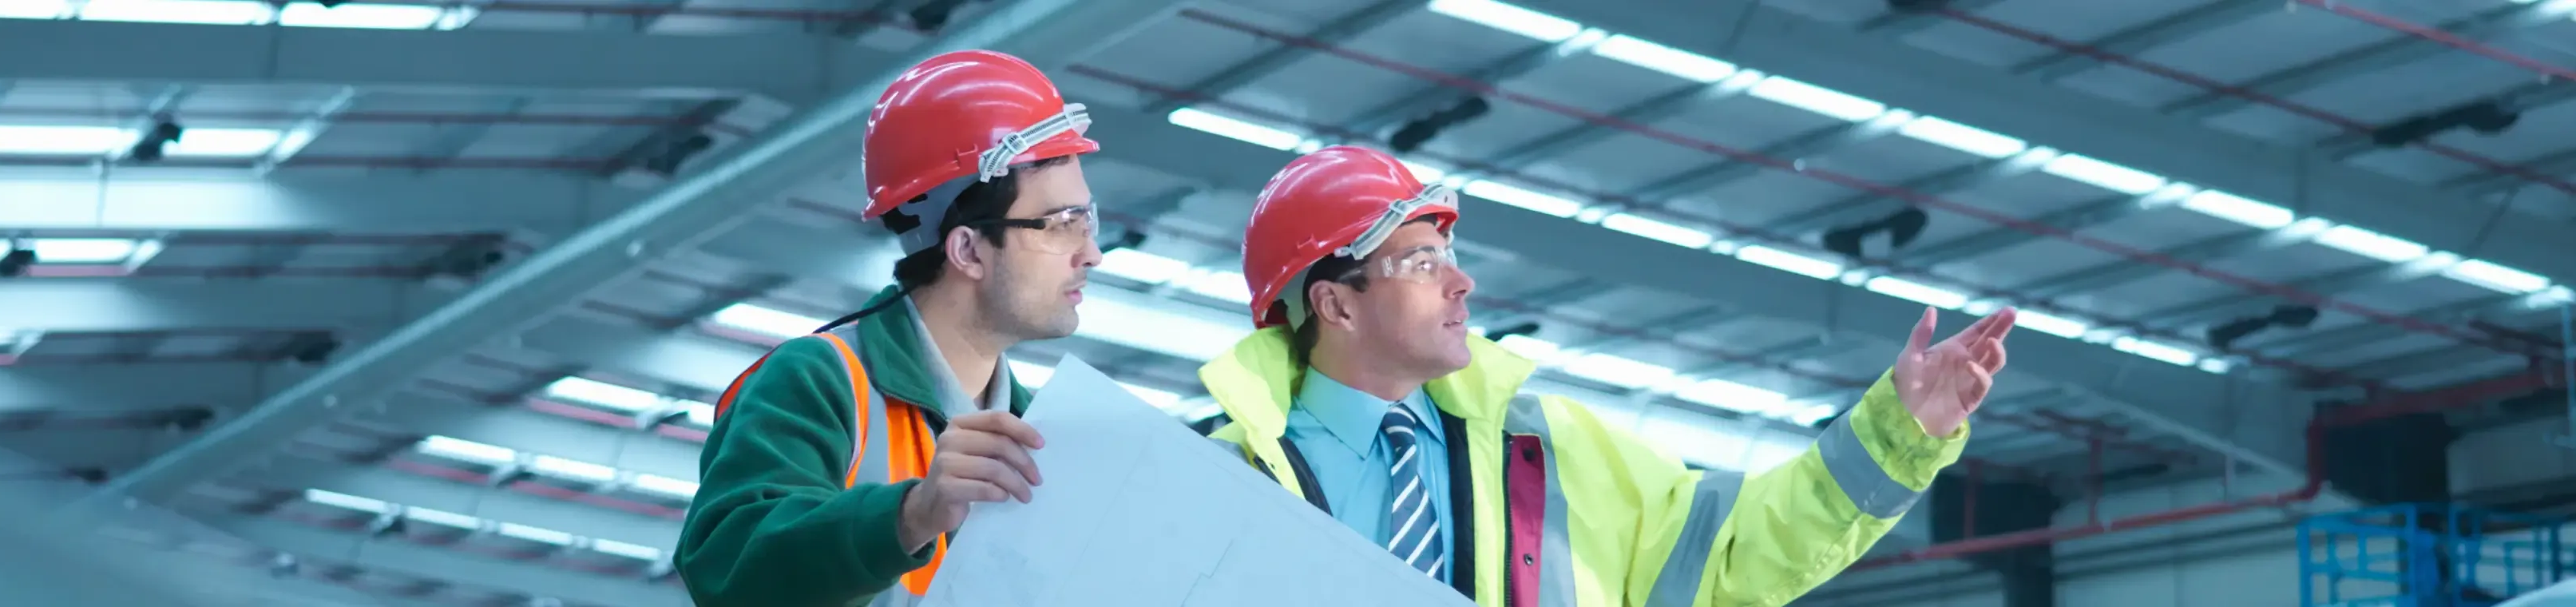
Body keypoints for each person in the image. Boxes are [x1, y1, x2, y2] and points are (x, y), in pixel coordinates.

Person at [1200, 145, 2016, 606]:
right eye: (1421, 261)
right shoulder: (1211, 480)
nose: (1462, 284)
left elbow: (1738, 547)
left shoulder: (1553, 453)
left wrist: (1899, 432)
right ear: (1336, 305)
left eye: (1451, 256)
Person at [672, 50, 1105, 607]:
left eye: (1088, 220)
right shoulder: (821, 381)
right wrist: (910, 516)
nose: (1090, 253)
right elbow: (728, 569)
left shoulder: (1043, 436)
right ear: (968, 249)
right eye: (1062, 224)